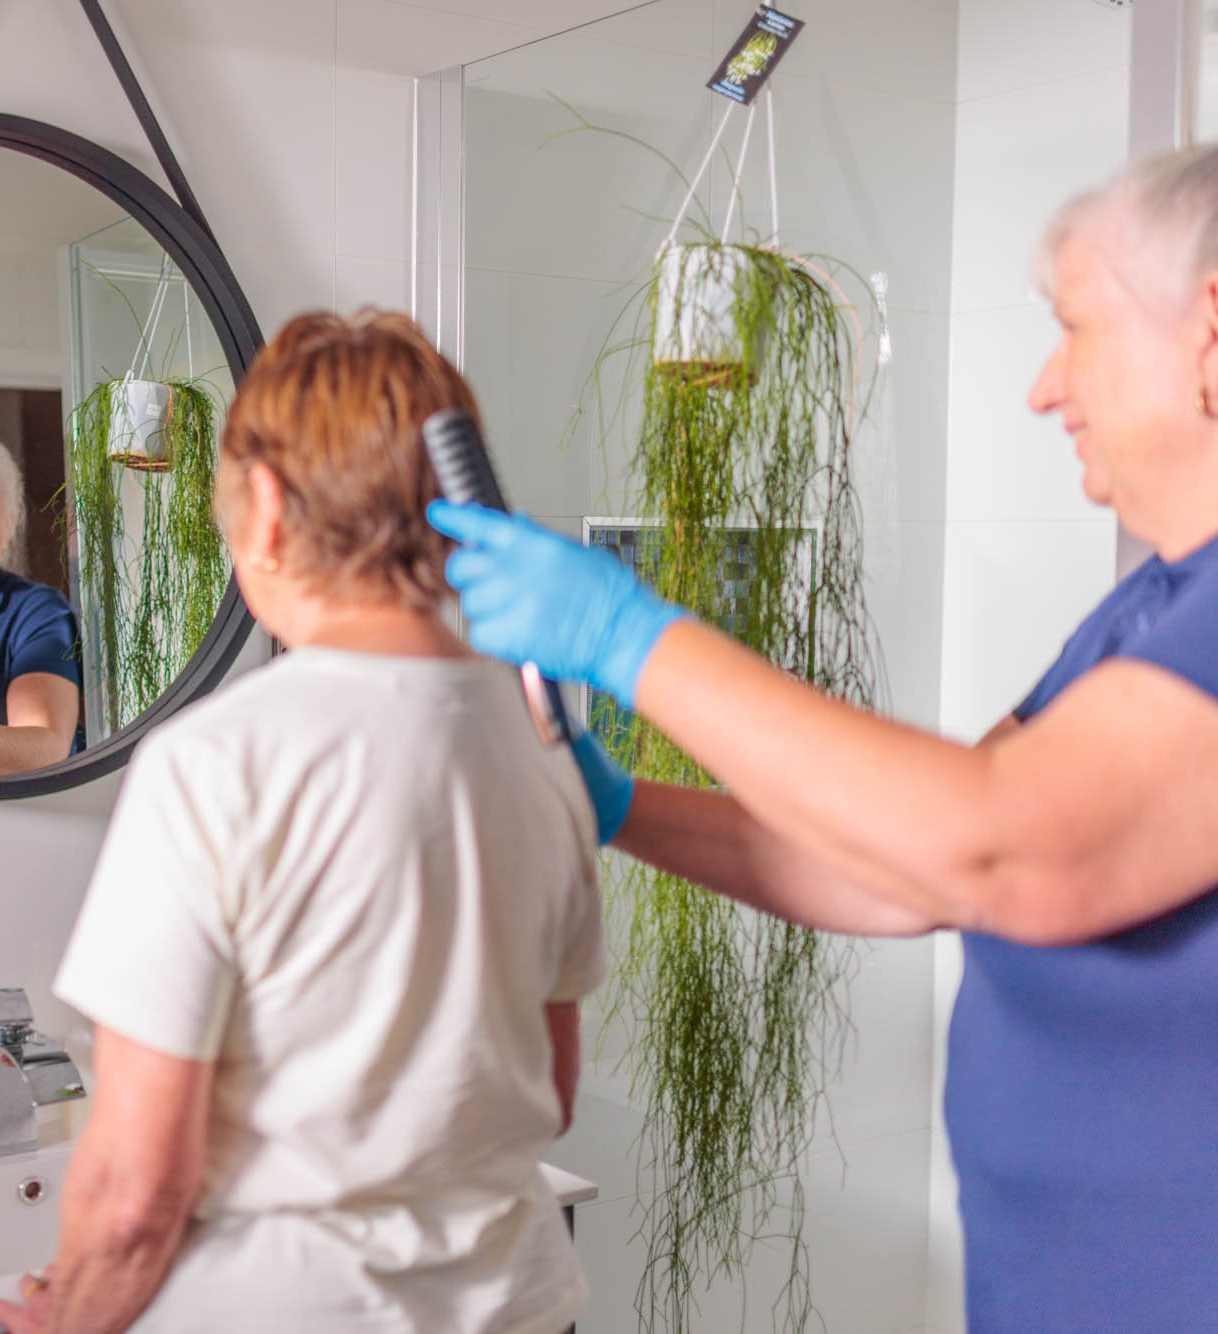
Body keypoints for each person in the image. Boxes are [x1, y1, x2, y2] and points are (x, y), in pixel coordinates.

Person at [430, 144, 1218, 1332]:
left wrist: (626, 630)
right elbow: (900, 863)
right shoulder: (1150, 608)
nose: (1044, 387)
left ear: (1207, 327)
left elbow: (999, 849)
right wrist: (622, 804)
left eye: (1075, 328)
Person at [0, 311, 604, 1334]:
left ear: (265, 507)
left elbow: (136, 1187)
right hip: (518, 1304)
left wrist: (70, 1318)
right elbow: (549, 1084)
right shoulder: (546, 746)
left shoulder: (213, 762)